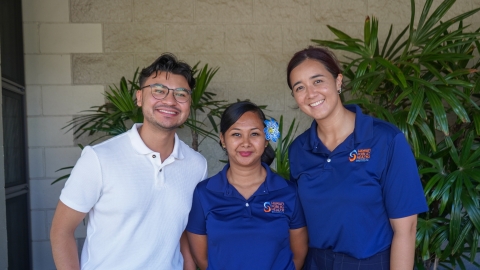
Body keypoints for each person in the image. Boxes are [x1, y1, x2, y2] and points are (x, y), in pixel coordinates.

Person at [50, 53, 208, 270]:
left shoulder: (196, 165)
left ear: (189, 103)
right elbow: (61, 231)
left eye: (181, 94)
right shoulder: (99, 158)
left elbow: (180, 229)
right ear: (140, 97)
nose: (170, 101)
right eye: (159, 91)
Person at [286, 46, 428, 270]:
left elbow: (406, 228)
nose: (310, 93)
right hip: (316, 263)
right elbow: (298, 224)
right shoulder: (298, 150)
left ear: (338, 81)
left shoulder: (385, 140)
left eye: (318, 81)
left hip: (369, 263)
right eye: (299, 87)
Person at [186, 101, 308, 270]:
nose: (246, 143)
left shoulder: (288, 191)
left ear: (266, 139)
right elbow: (202, 259)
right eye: (236, 134)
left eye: (254, 134)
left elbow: (298, 255)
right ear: (223, 139)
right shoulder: (204, 193)